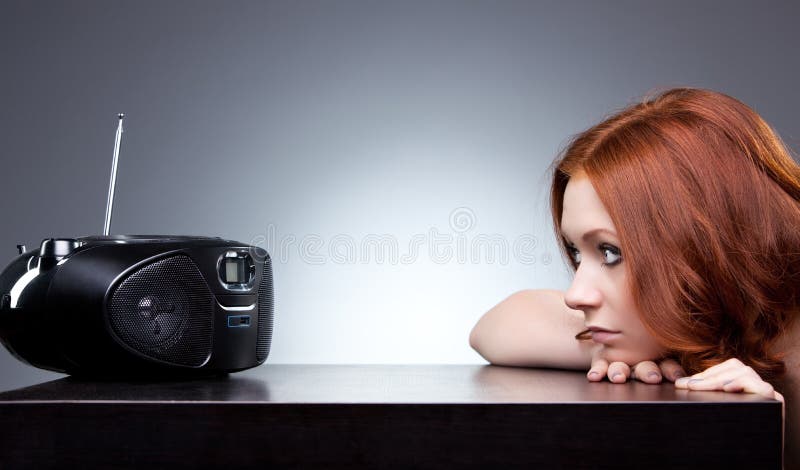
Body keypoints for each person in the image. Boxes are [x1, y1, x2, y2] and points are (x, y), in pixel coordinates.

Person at [469, 87, 799, 468]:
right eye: (577, 253)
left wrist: (763, 446)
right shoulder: (695, 324)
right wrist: (603, 350)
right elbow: (495, 327)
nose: (576, 295)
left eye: (609, 253)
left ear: (704, 243)